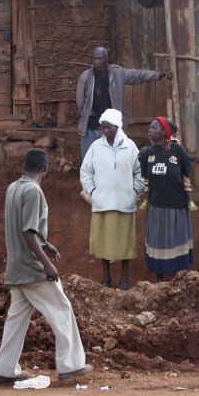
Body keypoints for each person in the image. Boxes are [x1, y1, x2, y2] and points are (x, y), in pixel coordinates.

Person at [0, 148, 93, 385]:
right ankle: (71, 365)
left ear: (24, 166)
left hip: (16, 267)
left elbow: (23, 228)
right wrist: (46, 263)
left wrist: (45, 244)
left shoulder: (14, 188)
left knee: (16, 319)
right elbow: (28, 232)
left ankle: (4, 370)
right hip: (31, 267)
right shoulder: (33, 191)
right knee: (62, 309)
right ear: (46, 168)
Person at [79, 109, 145, 290]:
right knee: (103, 242)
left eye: (108, 127)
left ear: (117, 126)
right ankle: (106, 277)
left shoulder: (130, 146)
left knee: (125, 242)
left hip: (125, 202)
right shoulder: (95, 147)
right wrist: (93, 192)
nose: (105, 130)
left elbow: (140, 173)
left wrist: (134, 190)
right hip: (102, 203)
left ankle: (124, 278)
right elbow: (86, 173)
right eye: (103, 127)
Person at [75, 46, 171, 158]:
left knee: (113, 158)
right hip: (91, 128)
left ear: (106, 59)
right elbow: (80, 102)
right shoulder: (85, 77)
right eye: (95, 59)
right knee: (89, 159)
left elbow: (137, 75)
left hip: (112, 129)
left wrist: (157, 75)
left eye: (100, 59)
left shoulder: (117, 73)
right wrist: (87, 115)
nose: (97, 62)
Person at [139, 118, 196, 281]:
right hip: (156, 205)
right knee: (158, 242)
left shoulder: (179, 151)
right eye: (149, 127)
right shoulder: (148, 153)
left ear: (164, 132)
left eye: (153, 128)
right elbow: (146, 178)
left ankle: (181, 279)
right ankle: (159, 281)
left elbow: (187, 175)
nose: (149, 130)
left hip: (177, 204)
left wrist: (189, 199)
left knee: (177, 239)